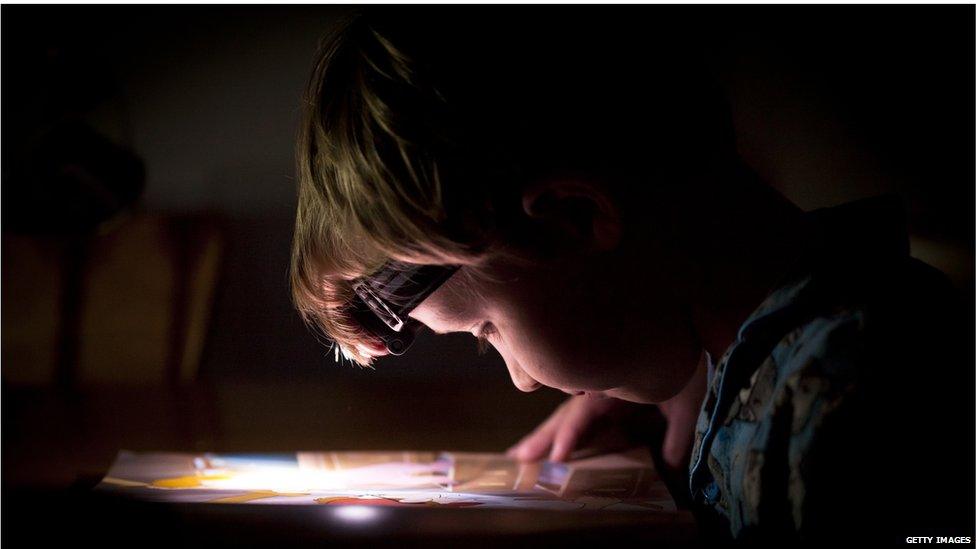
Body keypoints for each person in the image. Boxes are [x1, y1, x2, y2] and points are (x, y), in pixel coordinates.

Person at [290, 9, 973, 542]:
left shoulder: (846, 404)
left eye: (487, 328)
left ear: (575, 219)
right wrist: (692, 400)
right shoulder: (782, 361)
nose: (521, 378)